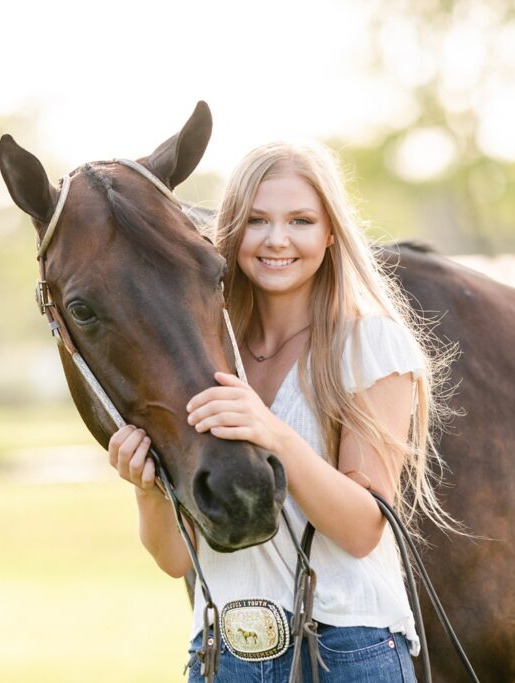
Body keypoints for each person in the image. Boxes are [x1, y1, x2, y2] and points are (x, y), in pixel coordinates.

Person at [107, 141, 455, 682]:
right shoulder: (208, 358)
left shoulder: (368, 345)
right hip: (226, 654)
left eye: (300, 220)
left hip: (348, 652)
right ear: (231, 233)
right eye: (256, 220)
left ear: (330, 233)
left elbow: (363, 528)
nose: (277, 240)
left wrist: (274, 434)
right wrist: (148, 492)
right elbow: (179, 562)